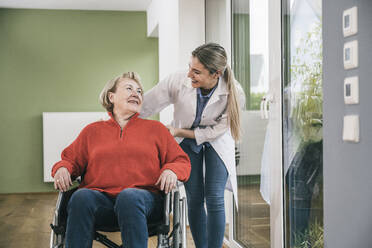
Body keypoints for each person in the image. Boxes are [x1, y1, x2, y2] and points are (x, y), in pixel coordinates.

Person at [51, 72, 191, 248]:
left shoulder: (156, 130)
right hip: (101, 201)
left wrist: (171, 170)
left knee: (129, 196)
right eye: (129, 88)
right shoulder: (92, 131)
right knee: (81, 196)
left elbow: (181, 161)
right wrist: (63, 168)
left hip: (145, 201)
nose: (136, 93)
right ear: (111, 96)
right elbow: (70, 159)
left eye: (139, 91)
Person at [140, 43, 245, 248]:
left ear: (216, 74)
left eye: (196, 71)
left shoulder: (235, 93)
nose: (189, 74)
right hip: (186, 140)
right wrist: (117, 117)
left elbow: (215, 131)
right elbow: (148, 104)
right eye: (190, 67)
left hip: (216, 140)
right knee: (195, 197)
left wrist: (177, 131)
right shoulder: (178, 80)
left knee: (214, 196)